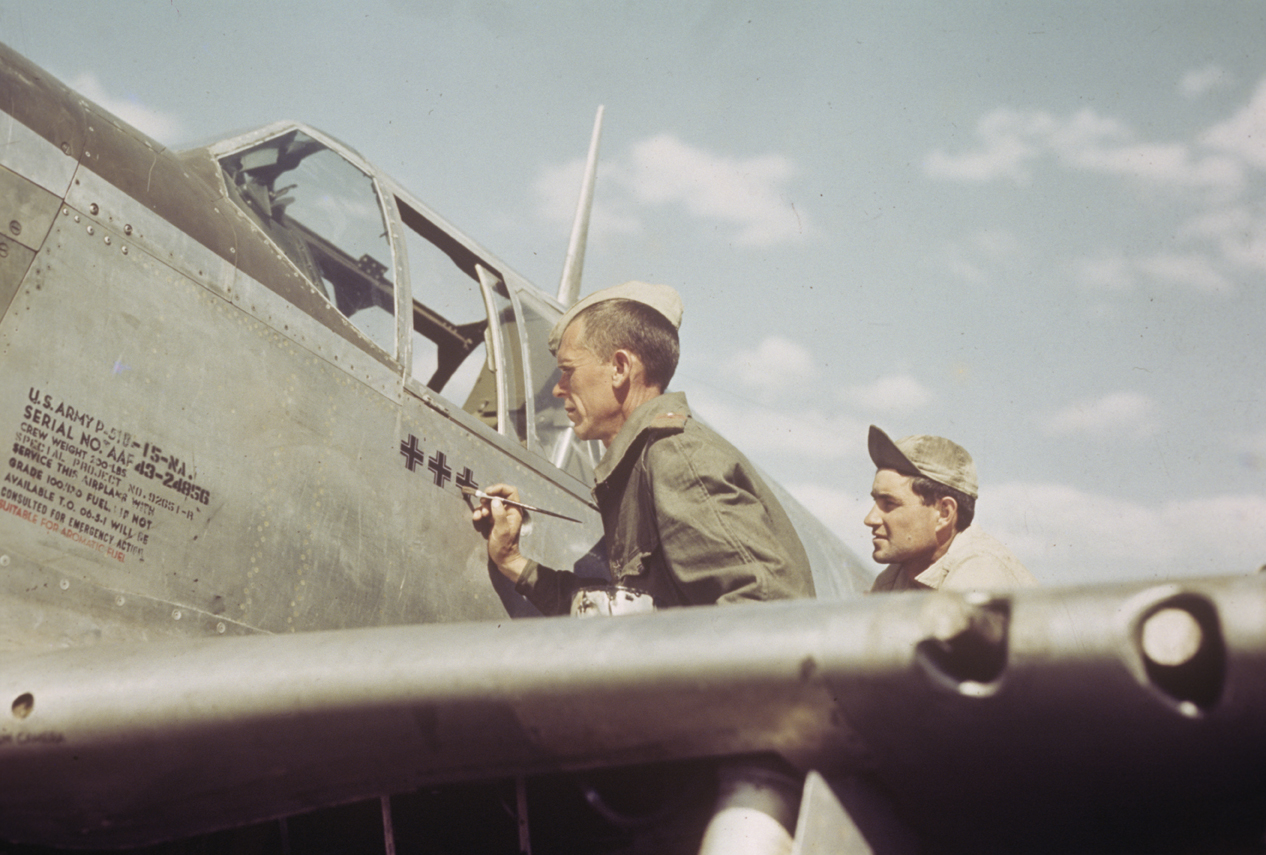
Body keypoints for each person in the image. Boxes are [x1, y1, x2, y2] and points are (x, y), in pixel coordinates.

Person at [471, 280, 815, 615]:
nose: (558, 389)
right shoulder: (646, 463)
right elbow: (622, 618)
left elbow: (768, 610)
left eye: (567, 370)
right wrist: (513, 561)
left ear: (620, 368)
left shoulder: (676, 458)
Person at [864, 425, 1037, 592]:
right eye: (876, 501)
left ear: (944, 513)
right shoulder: (894, 579)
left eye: (889, 504)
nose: (870, 519)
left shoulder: (979, 573)